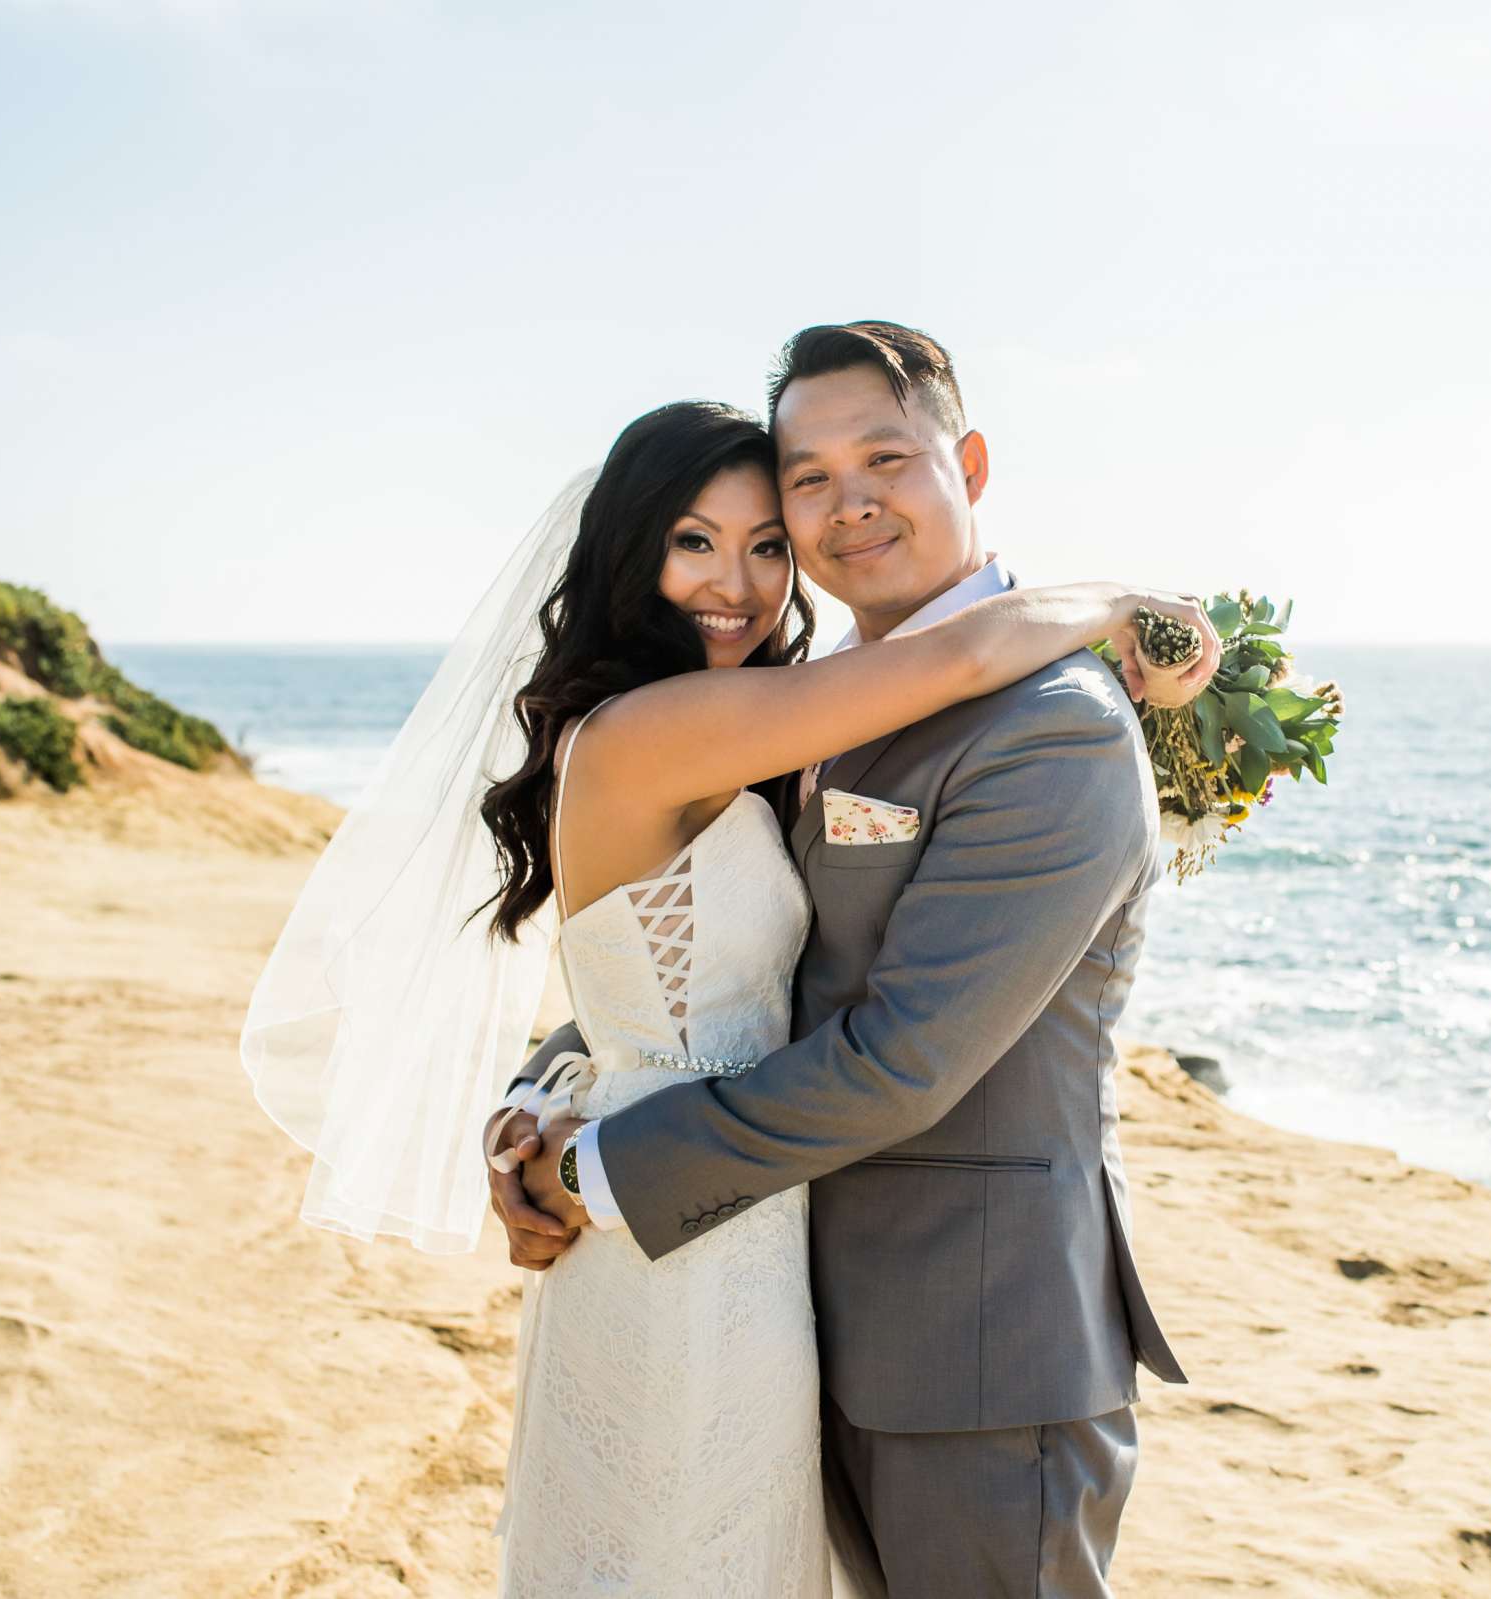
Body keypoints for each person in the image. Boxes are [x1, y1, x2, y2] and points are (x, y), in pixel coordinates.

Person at [484, 322, 1214, 1598]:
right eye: (805, 481)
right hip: (783, 1308)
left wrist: (595, 1167)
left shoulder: (1054, 728)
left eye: (886, 457)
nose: (844, 506)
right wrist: (549, 1090)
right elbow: (717, 972)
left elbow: (900, 1061)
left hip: (972, 1349)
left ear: (968, 464)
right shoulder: (800, 706)